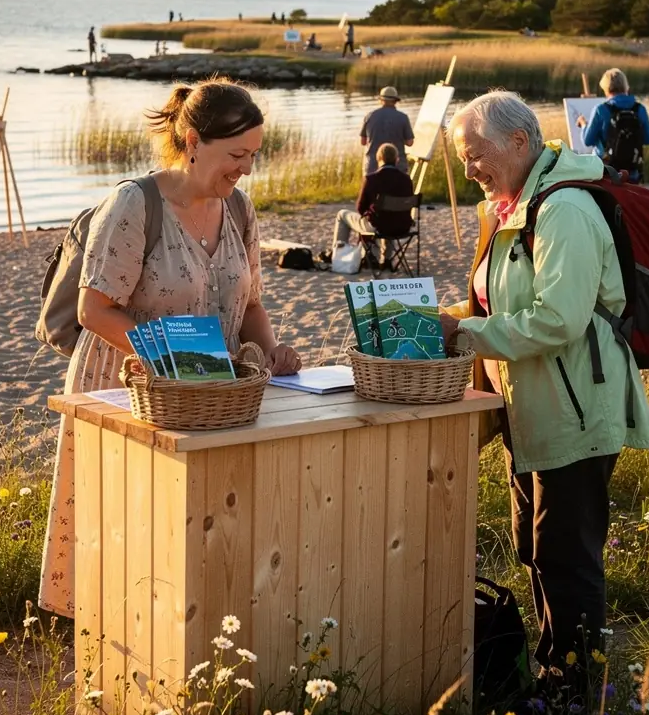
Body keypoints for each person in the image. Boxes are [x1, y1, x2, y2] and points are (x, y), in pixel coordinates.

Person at [39, 80, 302, 619]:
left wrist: (271, 351)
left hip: (213, 398)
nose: (245, 169)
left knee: (197, 540)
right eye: (235, 155)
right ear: (190, 140)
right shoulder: (135, 204)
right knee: (123, 534)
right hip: (126, 389)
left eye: (252, 155)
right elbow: (95, 310)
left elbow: (250, 304)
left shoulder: (240, 210)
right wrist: (174, 359)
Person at [440, 91, 649, 686]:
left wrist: (464, 335)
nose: (469, 169)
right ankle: (554, 672)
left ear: (519, 142)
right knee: (535, 547)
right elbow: (501, 302)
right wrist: (446, 317)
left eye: (475, 154)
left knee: (566, 554)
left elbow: (558, 318)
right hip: (531, 405)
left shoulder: (563, 211)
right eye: (462, 160)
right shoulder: (516, 205)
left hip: (578, 406)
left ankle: (575, 688)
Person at [332, 142, 413, 267]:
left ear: (379, 159)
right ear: (396, 160)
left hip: (379, 226)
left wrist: (368, 212)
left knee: (342, 215)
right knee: (390, 217)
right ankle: (387, 260)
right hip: (402, 226)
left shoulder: (371, 179)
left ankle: (339, 255)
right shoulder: (406, 180)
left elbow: (360, 207)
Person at [582, 68, 649, 182]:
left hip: (605, 172)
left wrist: (583, 125)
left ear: (606, 88)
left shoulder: (601, 109)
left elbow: (588, 141)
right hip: (632, 172)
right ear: (626, 86)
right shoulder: (639, 109)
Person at [360, 86, 414, 176]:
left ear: (381, 99)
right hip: (398, 167)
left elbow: (363, 141)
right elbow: (410, 142)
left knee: (373, 190)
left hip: (373, 167)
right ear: (395, 101)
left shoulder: (369, 116)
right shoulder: (403, 117)